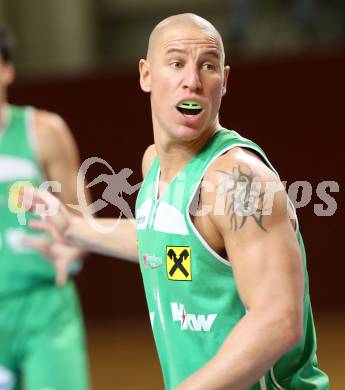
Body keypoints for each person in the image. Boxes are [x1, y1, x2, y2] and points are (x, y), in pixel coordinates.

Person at [23, 14, 329, 389]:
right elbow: (165, 241)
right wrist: (73, 229)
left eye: (208, 66)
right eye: (176, 63)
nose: (193, 80)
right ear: (146, 75)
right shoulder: (155, 164)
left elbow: (279, 322)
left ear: (225, 81)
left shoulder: (237, 180)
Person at [0, 26, 90, 390]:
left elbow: (82, 219)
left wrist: (73, 249)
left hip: (45, 308)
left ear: (6, 69)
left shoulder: (44, 131)